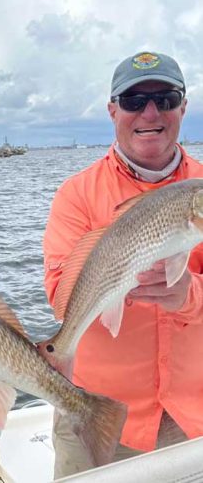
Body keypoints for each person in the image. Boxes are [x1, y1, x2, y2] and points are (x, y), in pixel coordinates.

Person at [43, 51, 203, 478]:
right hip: (94, 411)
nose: (150, 112)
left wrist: (189, 294)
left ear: (183, 107)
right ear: (112, 110)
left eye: (165, 99)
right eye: (133, 101)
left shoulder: (198, 185)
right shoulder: (76, 195)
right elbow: (60, 297)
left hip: (193, 415)